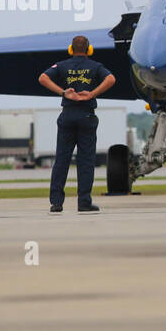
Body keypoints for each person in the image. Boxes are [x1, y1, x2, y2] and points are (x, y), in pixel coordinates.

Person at [38, 36, 115, 212]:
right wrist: (92, 94)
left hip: (67, 115)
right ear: (89, 50)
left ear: (70, 49)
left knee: (61, 160)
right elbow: (111, 79)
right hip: (86, 116)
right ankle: (84, 202)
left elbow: (43, 78)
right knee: (86, 161)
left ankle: (56, 203)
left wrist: (64, 92)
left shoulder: (62, 65)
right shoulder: (96, 67)